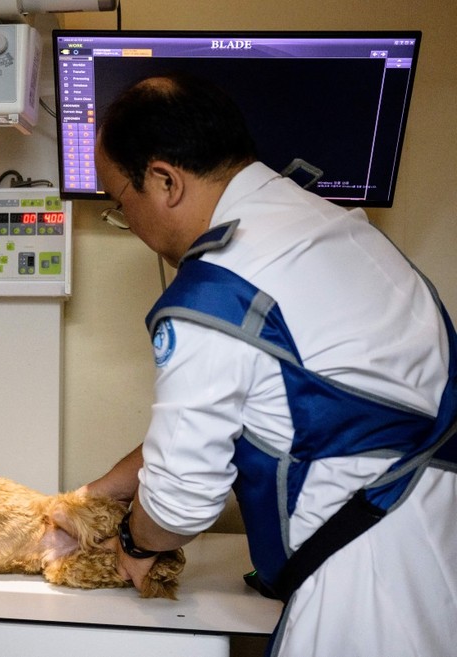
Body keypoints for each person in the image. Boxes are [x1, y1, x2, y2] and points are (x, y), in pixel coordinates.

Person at [82, 73, 457, 655]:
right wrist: (104, 490)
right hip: (435, 551)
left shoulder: (219, 290)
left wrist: (134, 541)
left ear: (163, 180)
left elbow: (181, 501)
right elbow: (267, 404)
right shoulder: (337, 229)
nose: (126, 221)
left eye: (120, 203)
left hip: (362, 593)